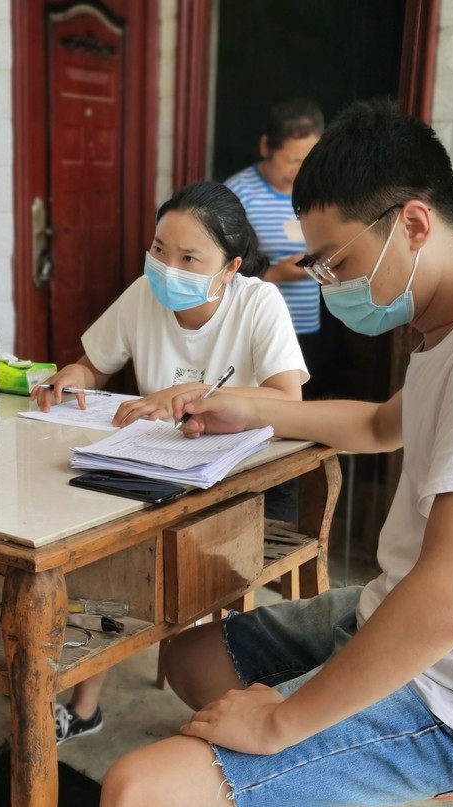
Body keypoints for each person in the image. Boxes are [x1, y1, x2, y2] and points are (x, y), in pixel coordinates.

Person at [100, 99, 453, 806]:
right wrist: (253, 406)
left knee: (137, 788)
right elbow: (380, 425)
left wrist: (281, 721)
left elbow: (450, 600)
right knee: (191, 655)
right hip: (399, 607)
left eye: (337, 261)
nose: (332, 282)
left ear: (414, 224)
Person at [33, 181, 308, 743]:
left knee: (163, 565)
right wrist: (71, 378)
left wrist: (196, 394)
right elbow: (94, 365)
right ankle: (85, 706)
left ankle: (217, 705)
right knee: (96, 550)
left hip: (243, 482)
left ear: (229, 268)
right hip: (157, 470)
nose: (167, 268)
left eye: (188, 258)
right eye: (159, 249)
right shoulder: (143, 294)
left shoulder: (258, 303)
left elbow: (289, 400)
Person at [226, 99, 342, 398]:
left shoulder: (320, 190)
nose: (300, 169)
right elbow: (220, 264)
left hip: (309, 322)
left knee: (309, 399)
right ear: (266, 146)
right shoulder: (239, 192)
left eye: (309, 159)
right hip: (258, 325)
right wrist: (274, 273)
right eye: (291, 159)